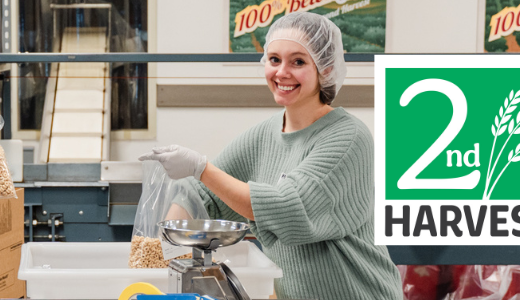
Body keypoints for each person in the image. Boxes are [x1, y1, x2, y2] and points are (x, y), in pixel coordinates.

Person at [139, 12, 403, 300]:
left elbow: (289, 210)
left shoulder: (349, 137)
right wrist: (164, 251)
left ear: (326, 69)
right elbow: (204, 195)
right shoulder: (264, 135)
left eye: (298, 61)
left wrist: (200, 167)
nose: (282, 72)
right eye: (275, 60)